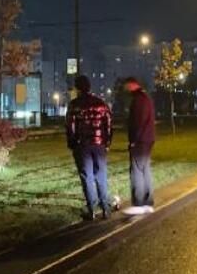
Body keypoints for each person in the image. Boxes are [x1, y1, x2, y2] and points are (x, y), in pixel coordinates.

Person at [65, 75, 114, 220]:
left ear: (78, 88)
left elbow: (70, 127)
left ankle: (91, 209)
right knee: (101, 175)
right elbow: (109, 125)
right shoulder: (101, 103)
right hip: (99, 145)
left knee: (87, 176)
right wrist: (107, 142)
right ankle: (105, 208)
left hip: (82, 145)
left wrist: (72, 143)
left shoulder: (74, 105)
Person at [122, 76, 156, 214]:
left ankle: (139, 202)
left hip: (140, 141)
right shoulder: (146, 98)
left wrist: (133, 140)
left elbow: (138, 122)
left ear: (133, 85)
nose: (126, 89)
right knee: (145, 169)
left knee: (136, 171)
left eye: (127, 86)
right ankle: (148, 201)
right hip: (147, 139)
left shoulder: (138, 100)